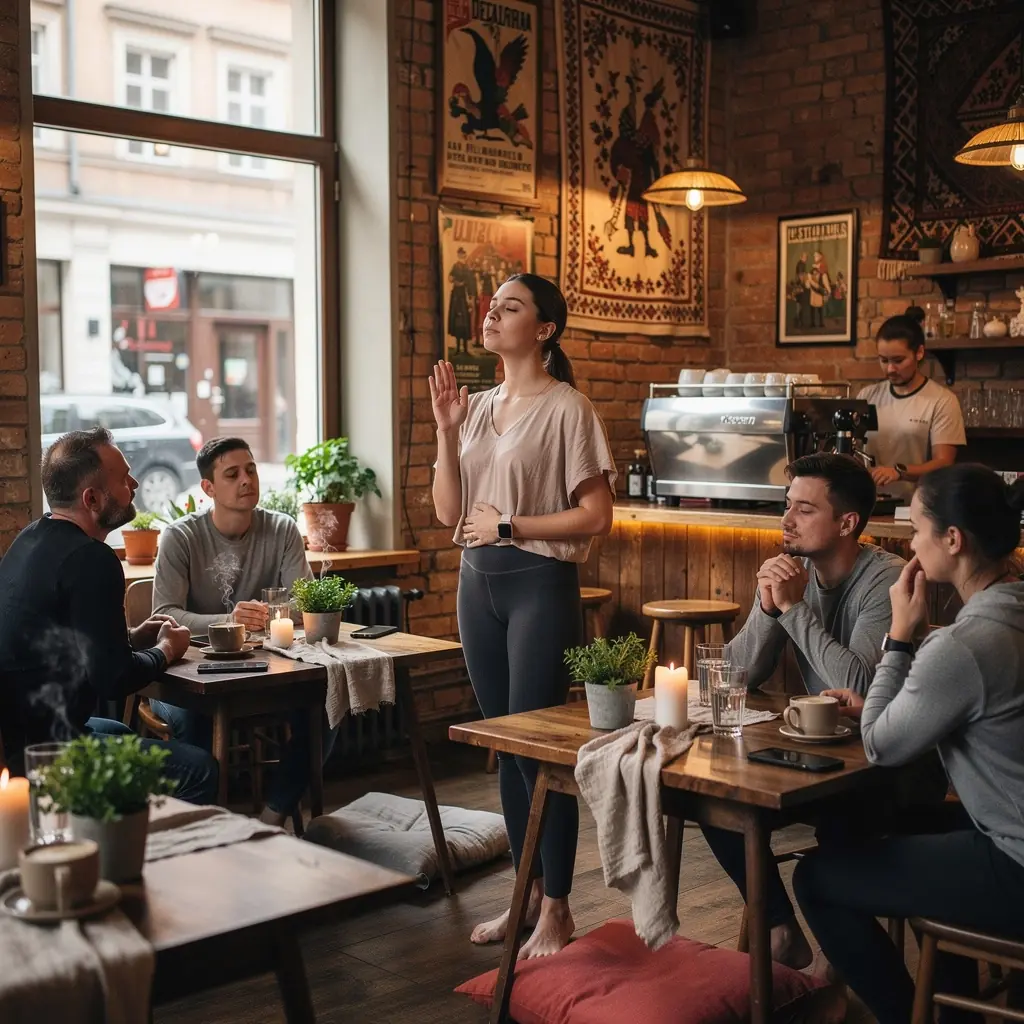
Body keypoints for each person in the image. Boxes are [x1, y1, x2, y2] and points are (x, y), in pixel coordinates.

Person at [794, 464, 1024, 1024]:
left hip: (1014, 863)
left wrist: (898, 634)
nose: (909, 542)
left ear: (953, 541)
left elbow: (879, 745)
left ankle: (904, 1016)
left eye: (917, 529)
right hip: (1000, 837)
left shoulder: (963, 645)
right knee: (901, 824)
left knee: (816, 878)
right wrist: (898, 692)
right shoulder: (1005, 616)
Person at [430, 273, 615, 959]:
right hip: (475, 586)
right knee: (505, 746)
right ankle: (526, 892)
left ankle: (560, 905)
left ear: (543, 330)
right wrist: (447, 434)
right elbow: (449, 513)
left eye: (510, 307)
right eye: (491, 306)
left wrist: (510, 525)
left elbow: (597, 516)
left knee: (540, 752)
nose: (492, 314)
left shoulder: (569, 408)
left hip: (539, 582)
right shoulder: (474, 407)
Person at [702, 453, 910, 969]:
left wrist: (793, 609)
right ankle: (778, 928)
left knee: (840, 837)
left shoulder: (885, 580)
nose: (786, 521)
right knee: (710, 795)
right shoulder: (793, 573)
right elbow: (734, 676)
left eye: (805, 509)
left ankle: (845, 969)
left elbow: (862, 685)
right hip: (814, 753)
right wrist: (769, 608)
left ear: (847, 523)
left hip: (881, 766)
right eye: (786, 505)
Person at [0, 428, 217, 803]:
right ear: (93, 498)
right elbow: (114, 680)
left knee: (120, 733)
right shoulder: (93, 559)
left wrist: (132, 637)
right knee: (200, 769)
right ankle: (164, 858)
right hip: (47, 753)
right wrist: (167, 649)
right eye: (123, 479)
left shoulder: (30, 538)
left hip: (21, 735)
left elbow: (65, 643)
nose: (134, 484)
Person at [151, 437, 332, 827]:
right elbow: (163, 614)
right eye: (232, 474)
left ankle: (272, 816)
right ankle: (204, 830)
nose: (246, 480)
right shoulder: (179, 537)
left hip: (261, 672)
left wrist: (274, 613)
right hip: (187, 676)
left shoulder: (281, 529)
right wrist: (228, 620)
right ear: (208, 488)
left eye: (250, 470)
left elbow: (306, 603)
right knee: (196, 721)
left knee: (328, 703)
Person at [858, 311, 965, 502]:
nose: (890, 369)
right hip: (867, 503)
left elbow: (944, 463)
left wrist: (899, 471)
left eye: (898, 361)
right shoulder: (867, 396)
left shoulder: (942, 400)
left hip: (917, 506)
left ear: (919, 353)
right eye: (884, 360)